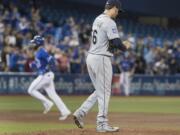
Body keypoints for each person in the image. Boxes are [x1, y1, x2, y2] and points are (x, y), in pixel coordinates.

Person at [73, 0, 131, 132]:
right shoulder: (109, 21)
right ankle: (102, 123)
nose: (117, 13)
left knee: (100, 90)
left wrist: (114, 46)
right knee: (105, 91)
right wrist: (125, 46)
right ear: (114, 8)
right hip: (101, 59)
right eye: (117, 10)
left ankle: (80, 112)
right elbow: (116, 43)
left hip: (91, 57)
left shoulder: (97, 19)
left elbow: (106, 42)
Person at [27, 35, 71, 120]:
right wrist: (33, 64)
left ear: (38, 43)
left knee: (31, 90)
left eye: (34, 42)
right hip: (47, 75)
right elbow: (40, 63)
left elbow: (51, 60)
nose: (33, 44)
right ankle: (65, 111)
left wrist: (48, 68)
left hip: (45, 75)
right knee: (53, 95)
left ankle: (47, 103)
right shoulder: (39, 52)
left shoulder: (42, 51)